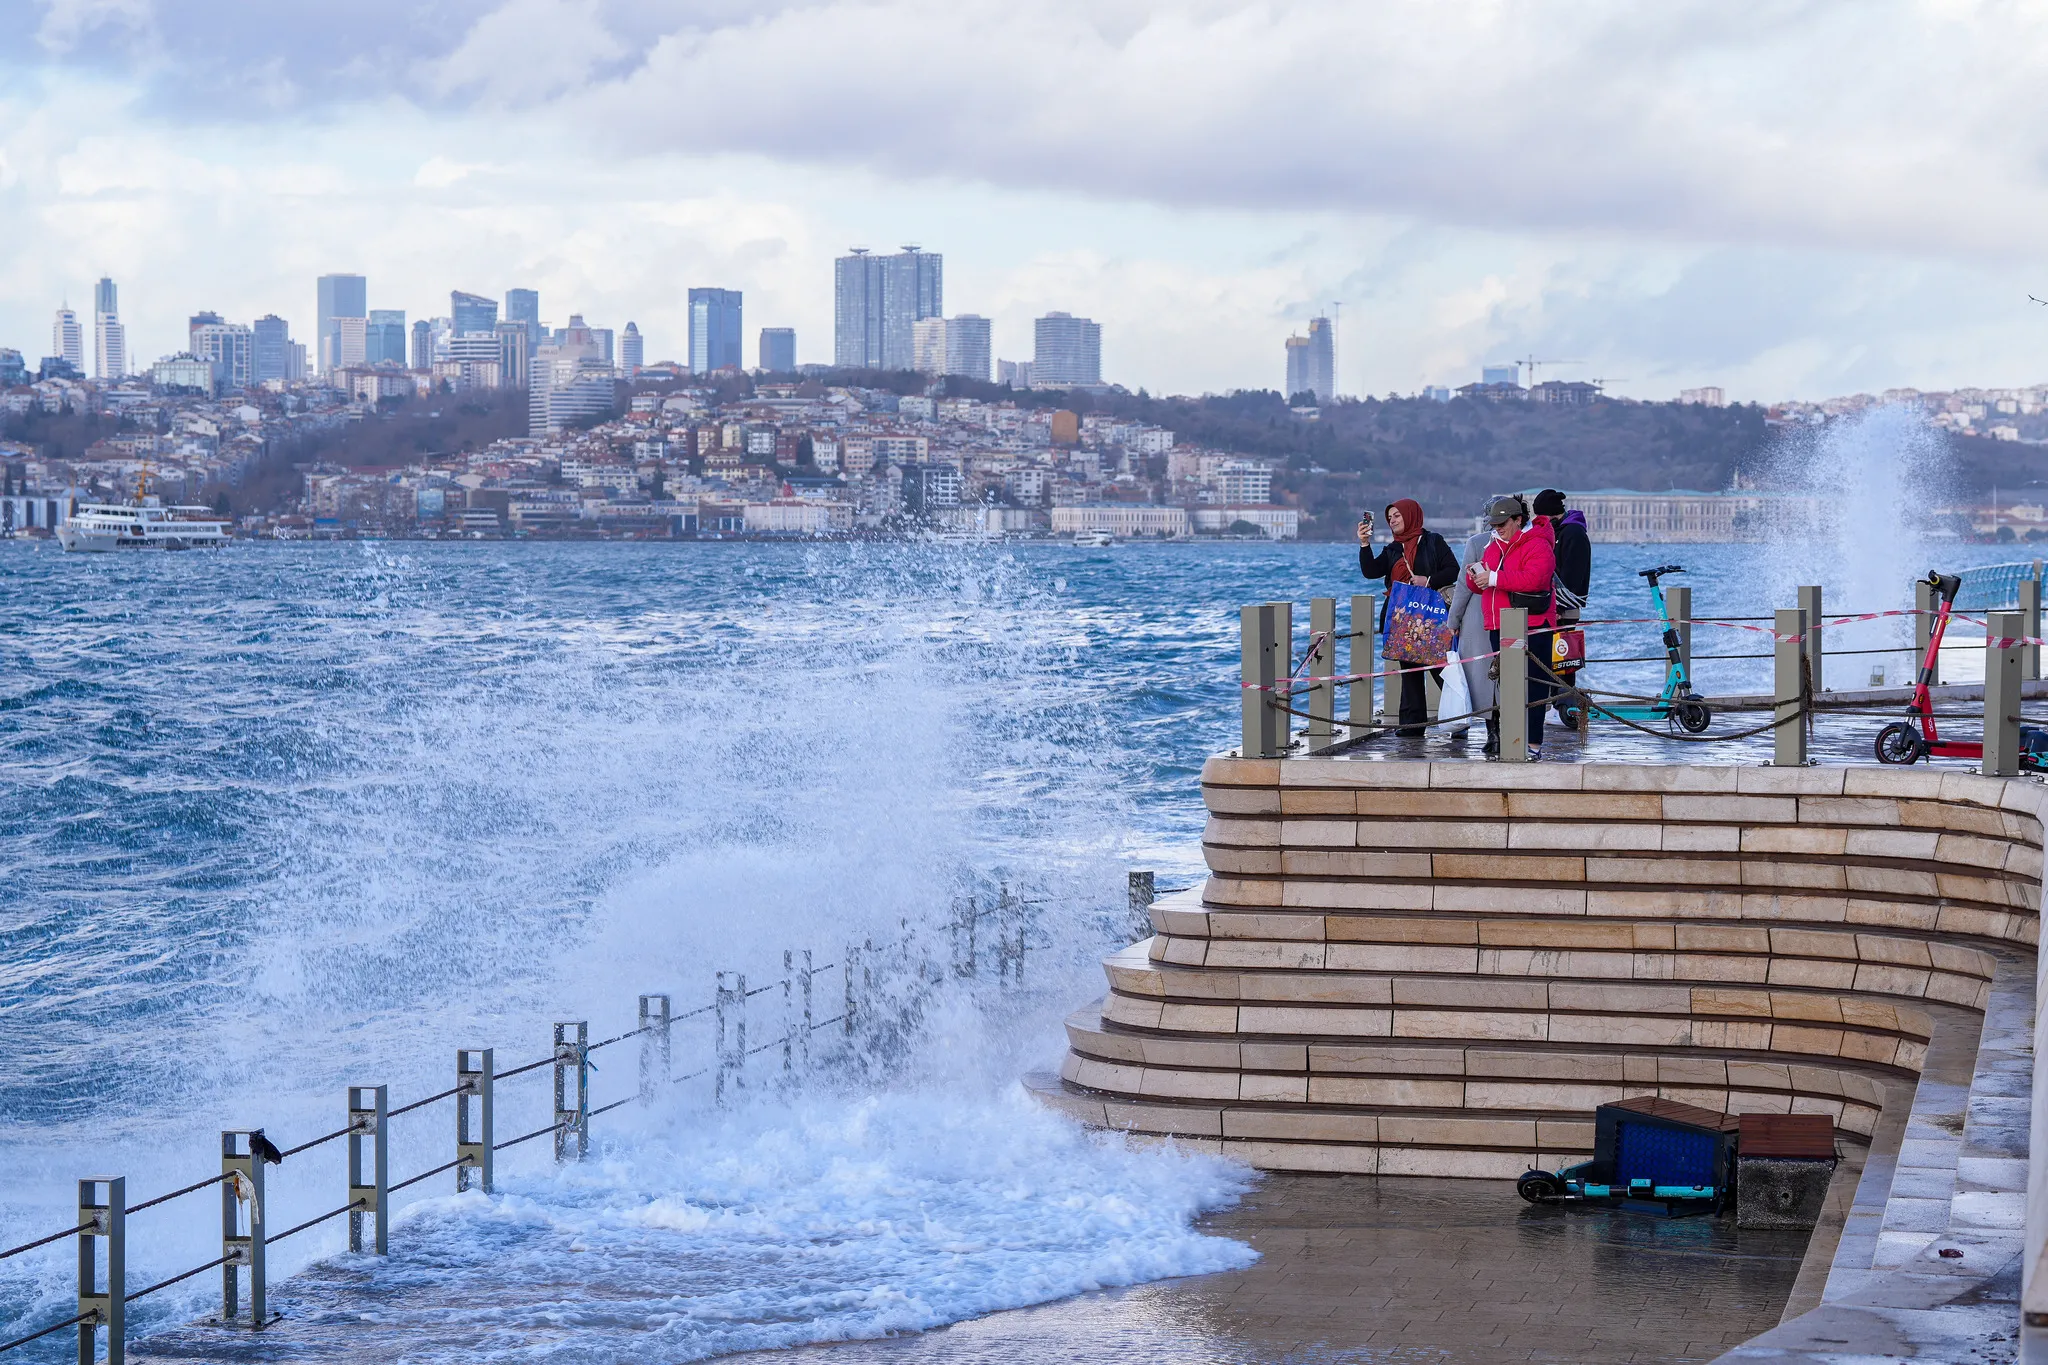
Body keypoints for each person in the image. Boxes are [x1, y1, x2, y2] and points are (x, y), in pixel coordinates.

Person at [1357, 498, 1459, 735]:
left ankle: (1458, 717)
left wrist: (1428, 581)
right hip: (1403, 618)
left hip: (1431, 615)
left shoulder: (1434, 541)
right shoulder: (1392, 549)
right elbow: (1370, 571)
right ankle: (1412, 726)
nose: (1392, 520)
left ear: (1411, 515)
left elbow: (1453, 570)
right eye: (1389, 517)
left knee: (1440, 668)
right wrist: (1364, 544)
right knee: (1409, 671)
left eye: (1397, 516)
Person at [1467, 493, 1557, 759]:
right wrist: (1477, 577)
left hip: (1534, 625)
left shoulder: (1538, 544)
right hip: (1499, 624)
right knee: (1507, 685)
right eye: (1494, 526)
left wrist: (1493, 577)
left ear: (1518, 520)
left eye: (1502, 524)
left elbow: (1536, 579)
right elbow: (1480, 585)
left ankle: (1534, 744)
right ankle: (1514, 740)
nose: (1497, 530)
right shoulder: (1493, 546)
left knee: (1534, 685)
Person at [1534, 489, 1591, 728]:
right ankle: (1557, 703)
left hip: (1563, 609)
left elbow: (1573, 575)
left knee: (1564, 661)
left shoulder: (1574, 533)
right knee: (1552, 659)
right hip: (1551, 606)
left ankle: (1564, 706)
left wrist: (1558, 605)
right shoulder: (1558, 532)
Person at [1446, 506, 1499, 750]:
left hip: (1478, 615)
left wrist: (1453, 621)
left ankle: (1493, 734)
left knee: (1484, 676)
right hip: (1513, 614)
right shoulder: (1523, 541)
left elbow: (1463, 585)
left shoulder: (1477, 542)